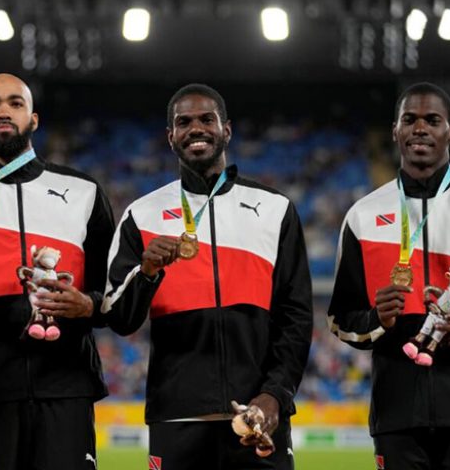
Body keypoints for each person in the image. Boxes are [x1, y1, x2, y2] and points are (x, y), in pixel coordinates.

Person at [102, 83, 313, 470]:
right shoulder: (140, 215)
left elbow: (296, 317)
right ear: (171, 137)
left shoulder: (274, 209)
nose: (195, 128)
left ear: (226, 130)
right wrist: (146, 273)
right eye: (184, 122)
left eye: (206, 119)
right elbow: (118, 318)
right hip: (177, 419)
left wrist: (275, 395)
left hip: (257, 416)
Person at [327, 82, 450, 469]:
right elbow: (340, 320)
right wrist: (377, 321)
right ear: (395, 130)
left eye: (432, 120)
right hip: (398, 417)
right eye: (410, 119)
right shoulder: (362, 216)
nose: (420, 128)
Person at [0, 73, 114, 469]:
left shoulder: (84, 193)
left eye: (15, 103)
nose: (3, 112)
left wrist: (87, 305)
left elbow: (110, 296)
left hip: (66, 389)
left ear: (33, 119)